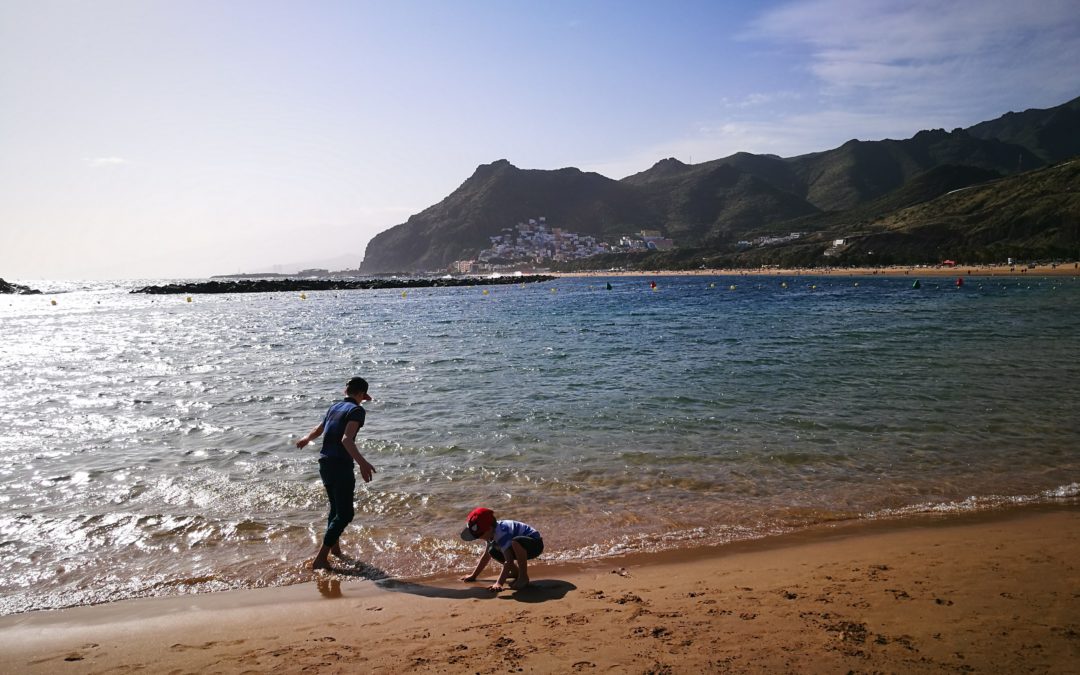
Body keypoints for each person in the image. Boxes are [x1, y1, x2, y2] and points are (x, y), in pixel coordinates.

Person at [295, 377, 377, 570]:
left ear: (345, 391)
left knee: (335, 509)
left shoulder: (334, 407)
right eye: (363, 397)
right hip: (340, 464)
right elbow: (347, 440)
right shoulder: (357, 410)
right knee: (346, 513)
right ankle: (321, 558)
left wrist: (306, 439)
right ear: (361, 395)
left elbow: (319, 429)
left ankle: (335, 549)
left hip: (325, 462)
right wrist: (363, 463)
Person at [459, 507, 543, 591]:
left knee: (516, 542)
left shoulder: (501, 533)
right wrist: (473, 576)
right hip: (520, 547)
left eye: (479, 534)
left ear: (489, 529)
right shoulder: (491, 534)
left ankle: (523, 577)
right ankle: (515, 572)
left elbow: (509, 560)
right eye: (476, 536)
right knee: (492, 550)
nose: (479, 538)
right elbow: (486, 557)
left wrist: (499, 583)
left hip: (535, 545)